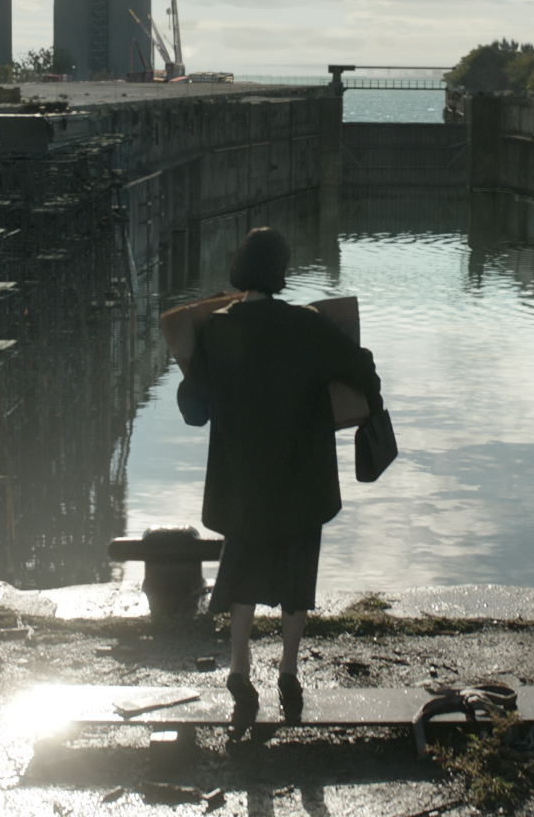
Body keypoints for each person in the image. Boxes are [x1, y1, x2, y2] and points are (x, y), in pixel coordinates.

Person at [178, 226, 384, 722]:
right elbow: (360, 366)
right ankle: (289, 672)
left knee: (243, 571)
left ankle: (239, 666)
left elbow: (194, 411)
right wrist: (370, 405)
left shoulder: (217, 329)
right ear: (282, 272)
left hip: (243, 482)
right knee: (296, 577)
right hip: (299, 477)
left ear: (240, 269)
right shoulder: (307, 327)